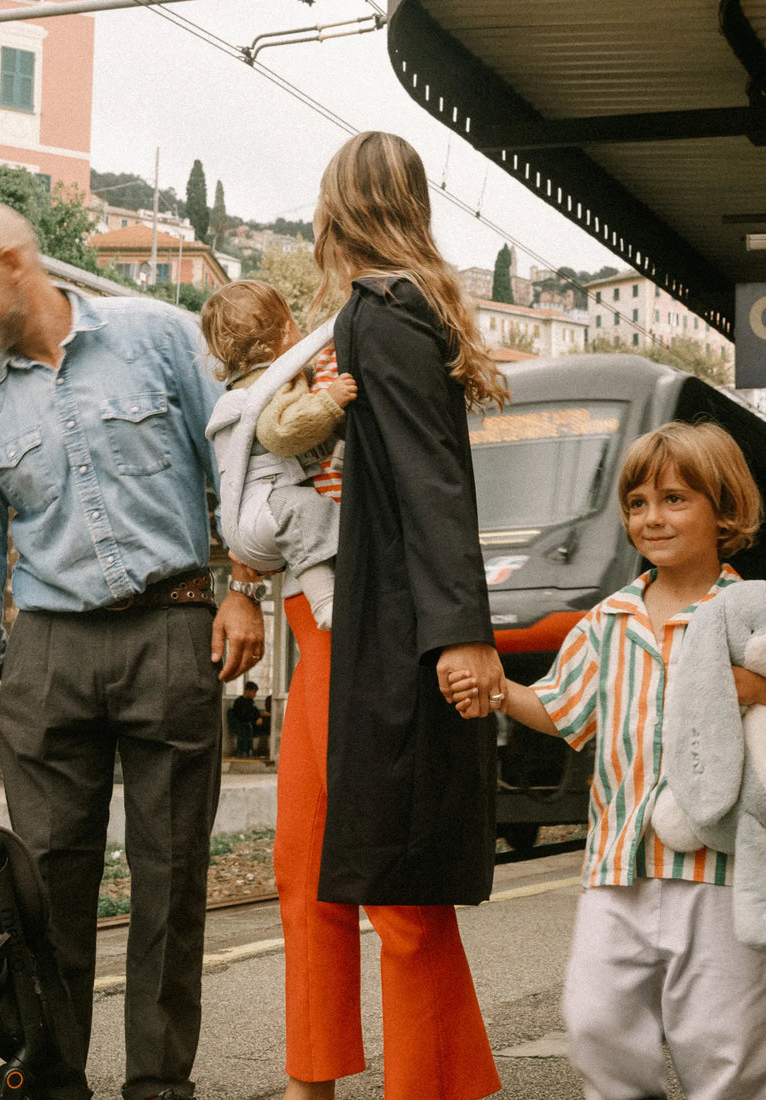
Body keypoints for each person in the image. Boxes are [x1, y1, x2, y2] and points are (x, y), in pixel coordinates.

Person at [0, 202, 265, 1100]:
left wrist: (245, 589)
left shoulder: (157, 338)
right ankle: (55, 1083)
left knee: (170, 878)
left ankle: (158, 1087)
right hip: (47, 656)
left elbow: (238, 466)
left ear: (13, 262)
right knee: (43, 892)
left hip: (173, 628)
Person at [449, 420, 766, 1100]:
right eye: (638, 504)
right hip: (618, 865)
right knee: (595, 1021)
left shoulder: (754, 613)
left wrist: (749, 686)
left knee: (725, 1046)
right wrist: (503, 693)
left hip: (725, 873)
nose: (653, 518)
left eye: (676, 499)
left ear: (725, 511)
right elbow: (563, 709)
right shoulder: (608, 620)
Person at [269, 131, 509, 1100]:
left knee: (396, 881)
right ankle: (335, 1074)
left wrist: (460, 630)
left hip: (384, 635)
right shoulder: (394, 312)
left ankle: (434, 1084)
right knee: (325, 864)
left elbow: (430, 480)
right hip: (345, 625)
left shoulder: (378, 315)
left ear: (333, 212)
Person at [201, 280, 356, 630]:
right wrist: (329, 402)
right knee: (310, 514)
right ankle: (327, 603)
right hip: (267, 509)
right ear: (287, 331)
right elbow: (281, 432)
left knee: (308, 519)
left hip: (251, 521)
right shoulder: (271, 385)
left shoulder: (249, 386)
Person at [229, 681, 263, 757]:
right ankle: (242, 751)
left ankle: (249, 750)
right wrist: (254, 719)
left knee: (249, 731)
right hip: (240, 723)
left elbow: (255, 711)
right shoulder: (239, 701)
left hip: (248, 723)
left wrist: (258, 717)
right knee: (244, 731)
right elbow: (240, 715)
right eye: (253, 692)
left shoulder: (251, 701)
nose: (254, 695)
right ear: (247, 691)